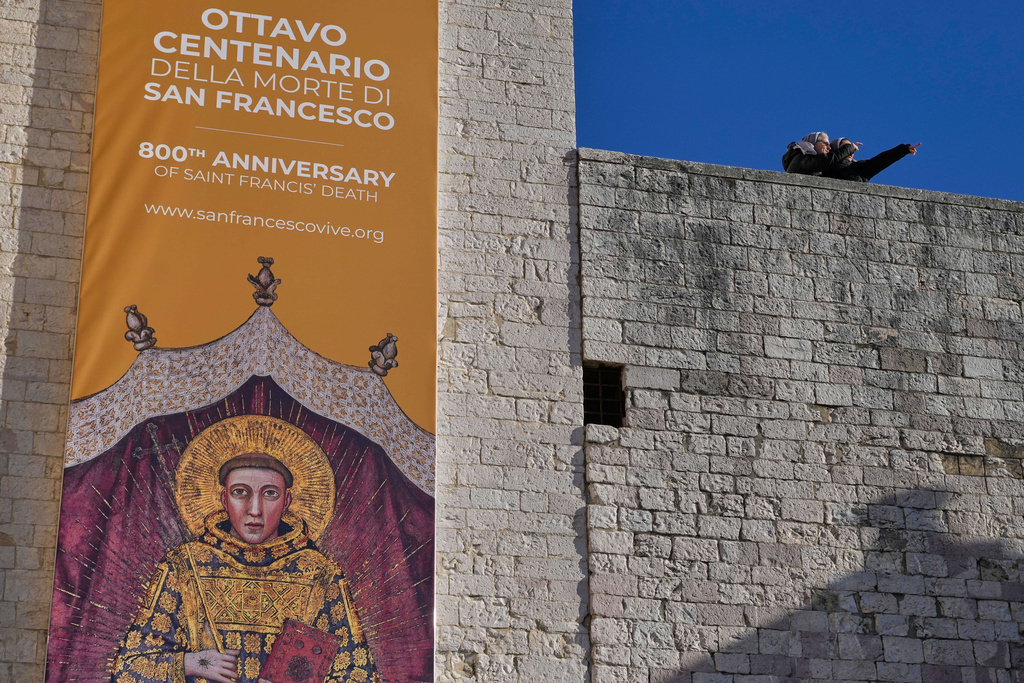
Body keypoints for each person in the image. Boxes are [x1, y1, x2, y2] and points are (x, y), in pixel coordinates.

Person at [111, 452, 380, 683]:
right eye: (240, 492)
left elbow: (358, 673)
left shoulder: (320, 574)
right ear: (224, 499)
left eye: (270, 494)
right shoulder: (184, 566)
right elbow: (128, 669)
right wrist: (191, 663)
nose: (255, 510)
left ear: (286, 501)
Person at [823, 137, 922, 182]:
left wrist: (903, 150)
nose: (851, 152)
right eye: (846, 148)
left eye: (852, 149)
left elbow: (881, 160)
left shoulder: (859, 167)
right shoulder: (825, 167)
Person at [782, 132, 858, 176]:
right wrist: (849, 148)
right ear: (813, 143)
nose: (829, 148)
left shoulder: (808, 158)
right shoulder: (803, 158)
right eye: (825, 144)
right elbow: (828, 160)